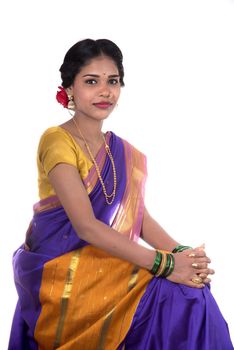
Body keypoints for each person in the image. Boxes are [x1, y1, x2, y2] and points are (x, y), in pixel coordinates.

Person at [8, 38, 233, 350]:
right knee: (175, 292)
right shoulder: (57, 140)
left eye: (113, 81)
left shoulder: (122, 152)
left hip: (104, 260)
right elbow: (85, 226)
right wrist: (166, 265)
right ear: (70, 88)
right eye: (91, 81)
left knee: (194, 289)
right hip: (61, 271)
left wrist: (185, 255)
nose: (105, 91)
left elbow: (137, 216)